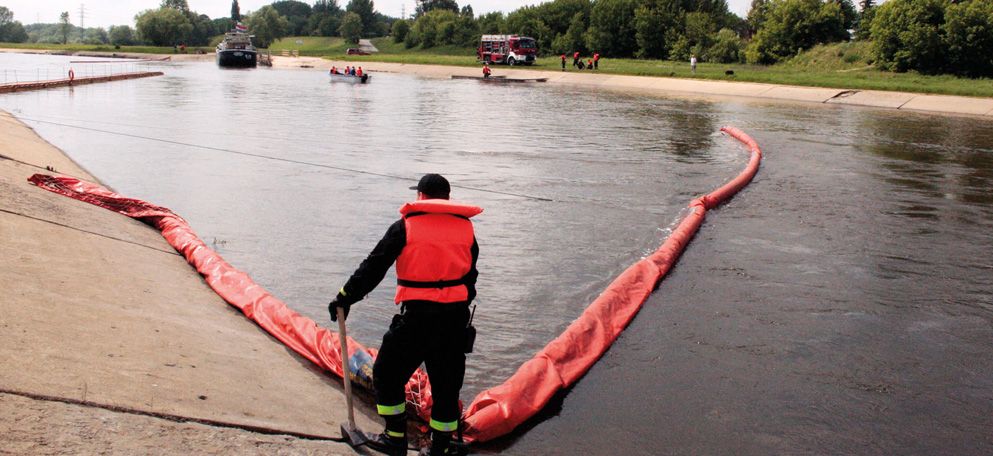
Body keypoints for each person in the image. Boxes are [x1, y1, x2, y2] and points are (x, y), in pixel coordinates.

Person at [328, 174, 481, 456]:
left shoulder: (405, 227)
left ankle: (394, 438)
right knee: (446, 387)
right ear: (447, 198)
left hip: (417, 320)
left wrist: (345, 297)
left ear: (421, 196)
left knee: (386, 374)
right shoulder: (466, 229)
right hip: (454, 320)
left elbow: (373, 267)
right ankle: (441, 447)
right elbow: (470, 277)